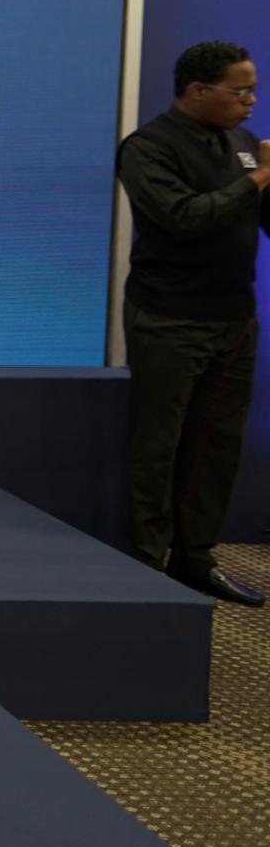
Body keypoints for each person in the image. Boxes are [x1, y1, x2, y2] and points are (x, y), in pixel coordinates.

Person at [116, 40, 270, 606]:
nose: (251, 102)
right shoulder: (148, 148)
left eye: (253, 89)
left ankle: (195, 559)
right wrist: (256, 182)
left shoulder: (246, 146)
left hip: (234, 320)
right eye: (241, 90)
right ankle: (144, 565)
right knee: (158, 447)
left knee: (217, 447)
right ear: (198, 91)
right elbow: (182, 219)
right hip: (168, 319)